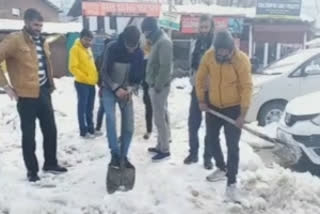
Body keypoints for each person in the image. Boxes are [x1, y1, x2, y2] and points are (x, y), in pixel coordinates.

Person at [0, 8, 67, 182]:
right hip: (25, 96)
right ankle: (32, 170)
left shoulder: (43, 41)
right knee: (29, 135)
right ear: (26, 22)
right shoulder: (14, 40)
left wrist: (50, 85)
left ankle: (50, 163)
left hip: (44, 92)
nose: (38, 28)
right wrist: (6, 86)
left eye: (40, 25)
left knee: (50, 130)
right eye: (35, 25)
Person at [196, 30, 253, 202]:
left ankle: (231, 183)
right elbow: (200, 79)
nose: (221, 54)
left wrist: (242, 114)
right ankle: (222, 167)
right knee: (211, 139)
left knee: (232, 145)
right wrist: (201, 100)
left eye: (225, 51)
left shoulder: (241, 60)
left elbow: (247, 87)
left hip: (233, 108)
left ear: (230, 49)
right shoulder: (209, 56)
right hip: (214, 106)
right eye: (219, 50)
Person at [100, 26, 144, 167]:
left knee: (129, 126)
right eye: (128, 46)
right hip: (109, 88)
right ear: (123, 40)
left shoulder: (139, 53)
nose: (131, 49)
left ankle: (123, 157)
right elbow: (103, 72)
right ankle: (115, 153)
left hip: (126, 91)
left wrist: (131, 88)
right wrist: (115, 87)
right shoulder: (112, 47)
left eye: (134, 46)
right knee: (111, 119)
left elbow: (138, 78)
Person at [184, 15, 215, 169]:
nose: (203, 30)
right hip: (196, 88)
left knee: (210, 125)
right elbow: (192, 63)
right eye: (201, 27)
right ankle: (193, 153)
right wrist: (192, 78)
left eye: (206, 27)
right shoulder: (195, 42)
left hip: (212, 90)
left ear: (211, 27)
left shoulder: (215, 45)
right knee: (193, 123)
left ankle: (208, 157)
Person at [141, 17, 173, 161]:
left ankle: (164, 149)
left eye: (146, 31)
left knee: (160, 119)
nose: (145, 35)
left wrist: (158, 85)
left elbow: (165, 67)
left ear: (152, 29)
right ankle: (160, 145)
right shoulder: (157, 40)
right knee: (160, 116)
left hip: (159, 86)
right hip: (155, 85)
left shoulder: (164, 42)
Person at [69, 29, 99, 139]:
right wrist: (85, 77)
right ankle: (83, 131)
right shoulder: (75, 49)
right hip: (82, 83)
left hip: (91, 83)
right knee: (82, 108)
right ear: (81, 38)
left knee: (90, 107)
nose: (88, 42)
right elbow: (73, 68)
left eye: (90, 40)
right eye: (86, 40)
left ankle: (91, 129)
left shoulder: (88, 49)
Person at [95, 38, 113, 134]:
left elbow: (96, 72)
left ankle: (98, 127)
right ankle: (99, 127)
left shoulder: (99, 57)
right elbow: (97, 72)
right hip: (105, 86)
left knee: (103, 108)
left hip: (103, 86)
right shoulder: (106, 57)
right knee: (105, 108)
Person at [142, 40, 153, 140]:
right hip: (146, 86)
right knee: (148, 109)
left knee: (162, 110)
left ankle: (167, 134)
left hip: (156, 86)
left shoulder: (158, 53)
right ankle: (149, 130)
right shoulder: (144, 56)